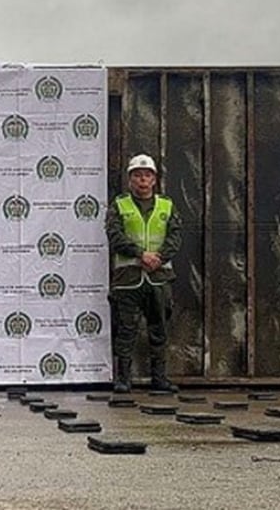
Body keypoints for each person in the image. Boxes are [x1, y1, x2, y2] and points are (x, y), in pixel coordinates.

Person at [106, 154, 182, 393]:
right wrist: (141, 254)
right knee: (126, 330)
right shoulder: (119, 205)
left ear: (154, 180)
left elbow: (175, 236)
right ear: (130, 180)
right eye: (137, 176)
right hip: (128, 279)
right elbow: (115, 236)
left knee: (158, 329)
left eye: (147, 175)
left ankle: (159, 378)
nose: (142, 180)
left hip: (158, 277)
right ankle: (123, 379)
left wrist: (159, 257)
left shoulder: (167, 206)